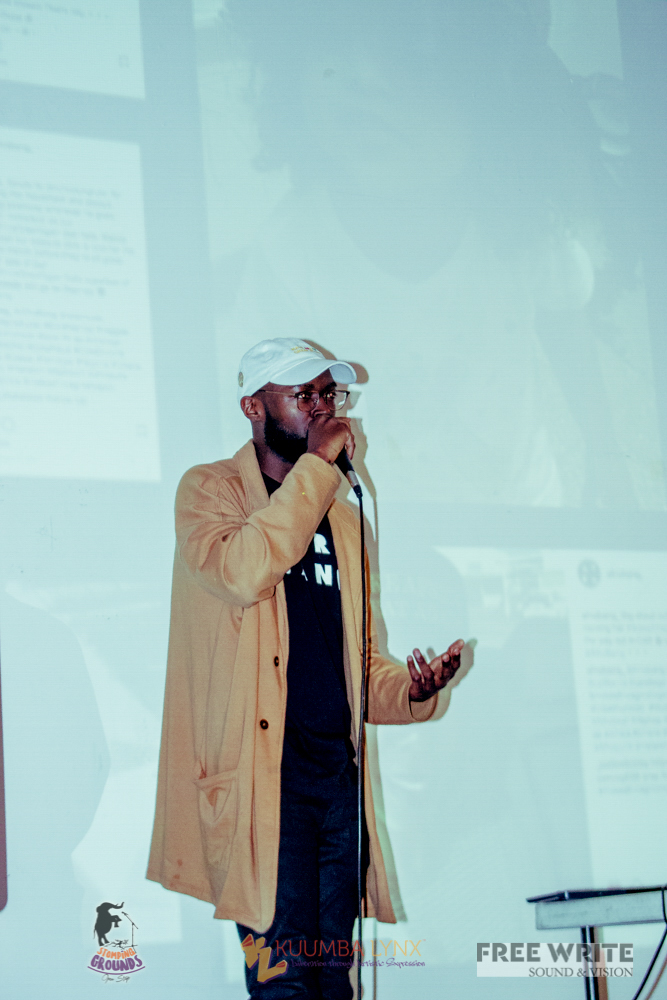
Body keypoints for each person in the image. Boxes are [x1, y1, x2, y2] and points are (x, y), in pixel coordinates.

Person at [147, 338, 468, 998]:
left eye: (329, 394)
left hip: (334, 788)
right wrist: (318, 470)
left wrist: (413, 689)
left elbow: (359, 666)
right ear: (253, 407)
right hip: (265, 787)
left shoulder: (342, 523)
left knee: (332, 984)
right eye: (303, 395)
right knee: (284, 984)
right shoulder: (210, 491)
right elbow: (242, 573)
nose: (323, 409)